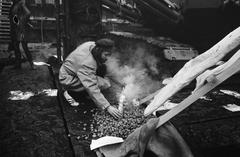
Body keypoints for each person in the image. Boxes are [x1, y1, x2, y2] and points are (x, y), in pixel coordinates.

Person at [59, 38, 122, 119]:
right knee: (105, 83)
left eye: (109, 55)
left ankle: (83, 91)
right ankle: (75, 93)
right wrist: (107, 107)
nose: (108, 58)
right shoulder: (87, 63)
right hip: (68, 79)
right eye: (106, 55)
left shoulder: (92, 45)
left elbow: (109, 69)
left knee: (104, 67)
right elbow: (92, 87)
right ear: (99, 51)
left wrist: (121, 82)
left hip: (75, 71)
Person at [9, 0, 35, 69]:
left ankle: (32, 64)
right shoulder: (14, 5)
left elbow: (28, 13)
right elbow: (13, 16)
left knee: (24, 47)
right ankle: (18, 64)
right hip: (16, 28)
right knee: (16, 47)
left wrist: (22, 21)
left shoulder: (21, 3)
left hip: (22, 27)